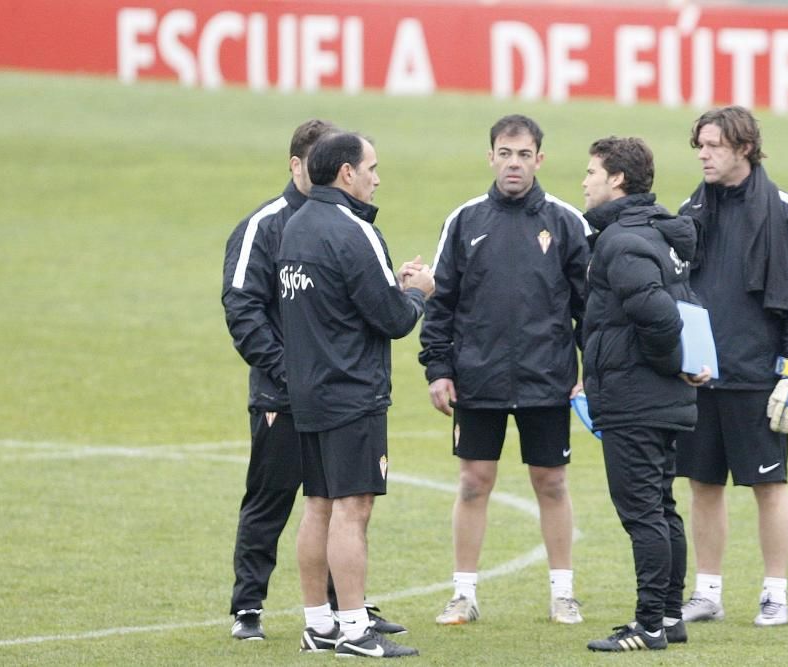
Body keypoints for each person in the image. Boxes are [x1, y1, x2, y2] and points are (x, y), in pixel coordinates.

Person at [222, 120, 406, 642]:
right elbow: (242, 308)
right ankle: (249, 607)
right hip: (293, 390)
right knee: (282, 497)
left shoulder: (311, 224)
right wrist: (287, 370)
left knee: (323, 503)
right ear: (297, 164)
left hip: (313, 385)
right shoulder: (268, 225)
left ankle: (335, 611)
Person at [419, 114, 592, 626]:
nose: (513, 163)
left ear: (539, 160)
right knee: (474, 482)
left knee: (552, 482)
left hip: (547, 380)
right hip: (479, 378)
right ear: (490, 156)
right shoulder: (465, 221)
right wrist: (438, 368)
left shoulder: (565, 222)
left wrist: (592, 372)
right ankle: (463, 595)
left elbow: (592, 309)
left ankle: (563, 593)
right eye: (504, 153)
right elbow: (440, 303)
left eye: (523, 154)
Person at [277, 131, 434, 658]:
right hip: (351, 392)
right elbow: (390, 318)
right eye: (371, 167)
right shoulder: (353, 231)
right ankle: (353, 630)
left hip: (308, 390)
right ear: (346, 173)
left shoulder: (294, 227)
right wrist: (417, 291)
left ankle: (317, 623)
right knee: (353, 507)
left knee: (318, 505)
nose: (376, 177)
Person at [675, 105, 788, 627]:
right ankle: (707, 592)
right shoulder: (690, 207)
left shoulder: (785, 210)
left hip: (759, 374)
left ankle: (775, 594)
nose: (703, 154)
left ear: (743, 147)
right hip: (700, 373)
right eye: (700, 145)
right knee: (702, 482)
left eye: (713, 145)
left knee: (768, 484)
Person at [579, 136, 709, 652]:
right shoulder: (660, 233)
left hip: (637, 396)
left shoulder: (621, 241)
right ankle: (670, 617)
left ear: (617, 180)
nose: (584, 181)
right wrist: (687, 365)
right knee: (661, 506)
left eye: (591, 172)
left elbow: (655, 312)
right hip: (661, 397)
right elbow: (686, 305)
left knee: (642, 513)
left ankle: (649, 623)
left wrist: (672, 362)